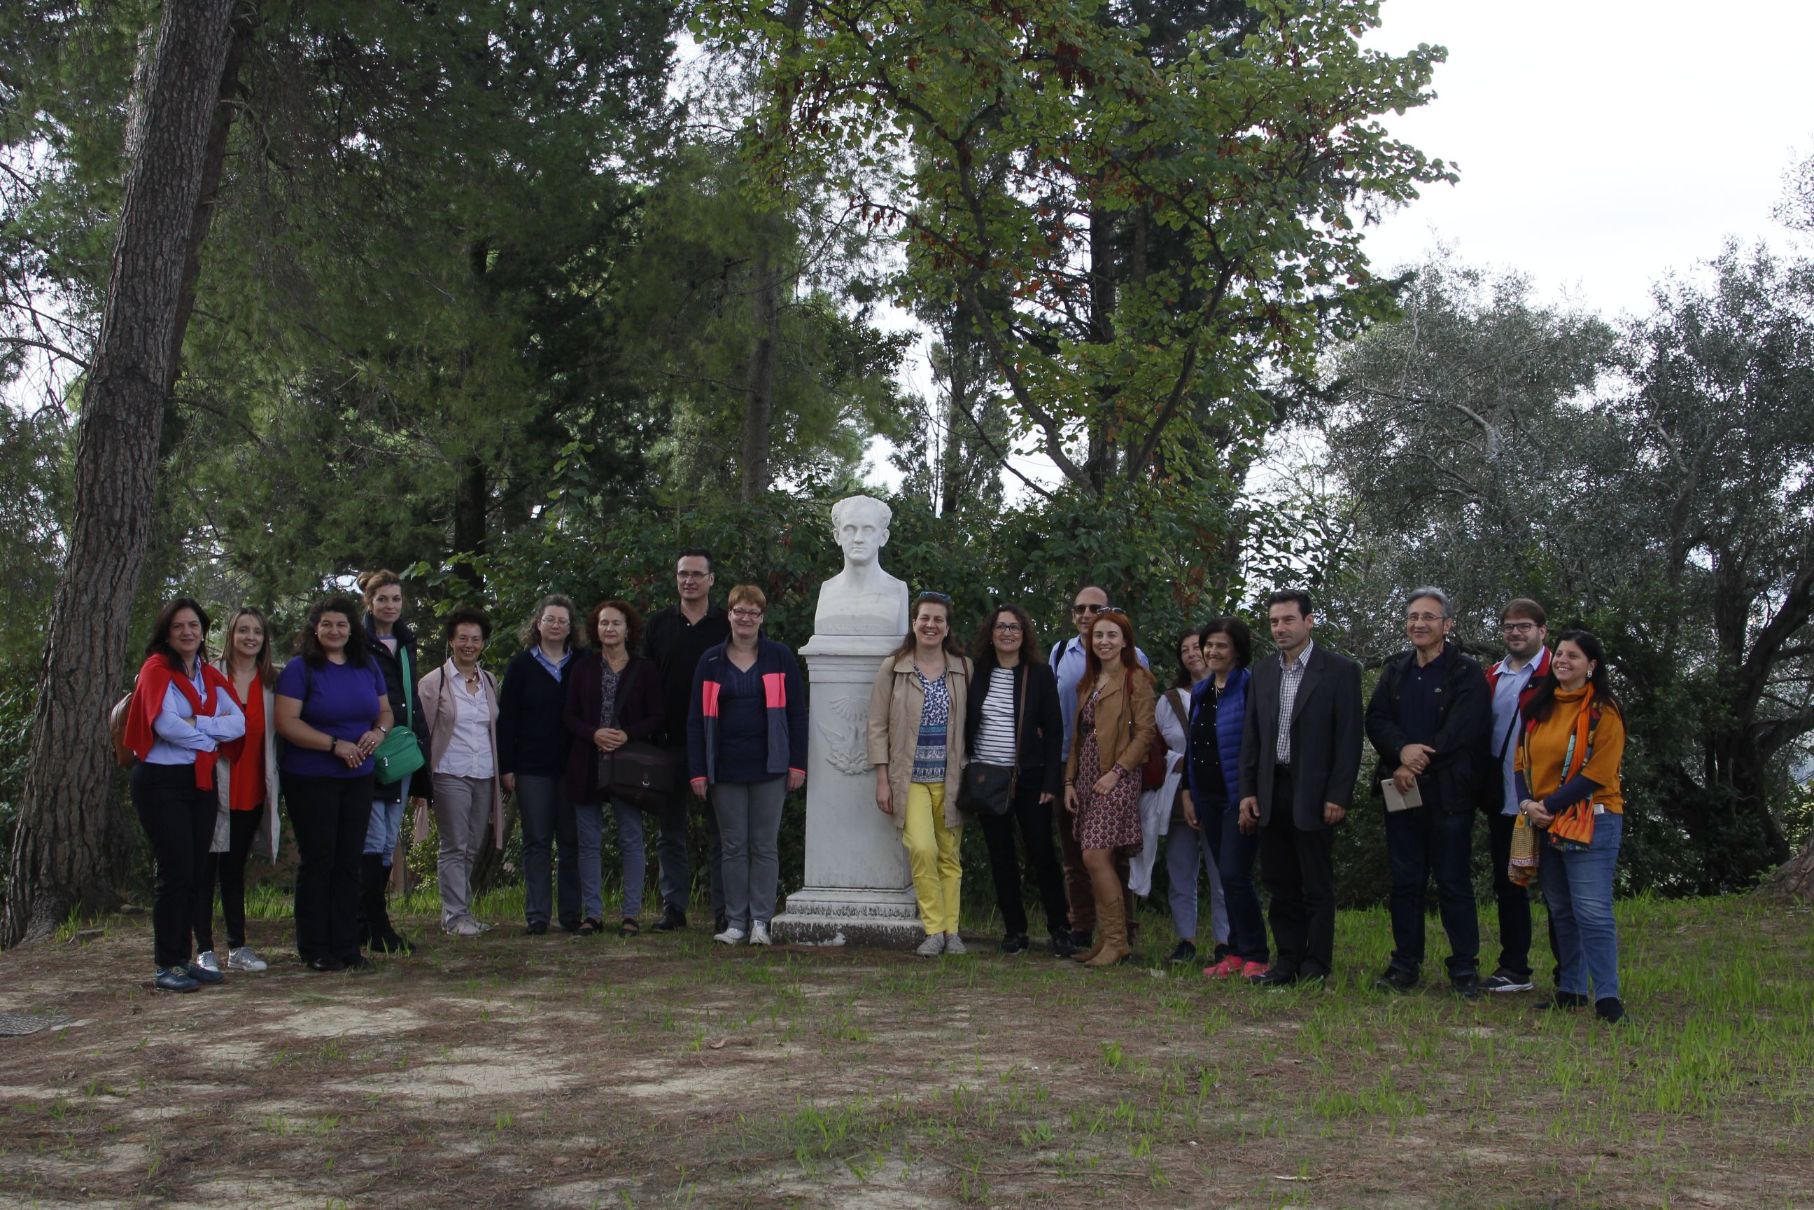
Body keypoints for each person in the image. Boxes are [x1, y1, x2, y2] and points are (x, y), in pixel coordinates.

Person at [1365, 587, 1492, 998]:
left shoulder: (1466, 671)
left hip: (1449, 794)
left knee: (1453, 882)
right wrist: (1401, 752)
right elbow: (1377, 718)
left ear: (1448, 625)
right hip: (1401, 793)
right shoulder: (1396, 669)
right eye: (1413, 616)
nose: (1419, 623)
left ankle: (1464, 971)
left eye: (1429, 617)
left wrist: (1415, 761)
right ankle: (1404, 966)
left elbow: (1462, 729)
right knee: (1405, 883)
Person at [1238, 589, 1363, 987]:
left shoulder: (1340, 671)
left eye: (1288, 620)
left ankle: (1316, 964)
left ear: (1309, 621)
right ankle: (1287, 961)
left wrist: (1338, 795)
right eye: (1274, 621)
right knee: (1279, 882)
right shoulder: (1262, 672)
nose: (1280, 628)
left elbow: (1349, 740)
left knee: (1316, 883)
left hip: (1315, 791)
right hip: (1272, 788)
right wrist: (1248, 790)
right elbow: (1251, 737)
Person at [122, 599, 245, 991]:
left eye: (194, 625)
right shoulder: (155, 670)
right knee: (174, 870)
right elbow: (164, 725)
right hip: (160, 781)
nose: (188, 632)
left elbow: (239, 723)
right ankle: (165, 964)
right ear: (167, 632)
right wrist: (209, 738)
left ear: (203, 631)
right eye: (179, 626)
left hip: (199, 782)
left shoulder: (208, 676)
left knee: (194, 870)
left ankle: (183, 958)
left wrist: (199, 726)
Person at [1516, 629, 1629, 1023]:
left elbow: (1598, 772)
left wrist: (1545, 805)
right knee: (1561, 909)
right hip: (1545, 820)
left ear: (1591, 666)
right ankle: (1572, 989)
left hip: (1591, 820)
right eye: (1561, 654)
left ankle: (1608, 998)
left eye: (1574, 656)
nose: (1563, 661)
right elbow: (1520, 761)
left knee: (1592, 911)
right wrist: (1529, 803)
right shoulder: (1538, 705)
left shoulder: (1604, 709)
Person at [276, 596, 393, 972]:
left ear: (352, 629)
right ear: (315, 629)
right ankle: (315, 948)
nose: (334, 631)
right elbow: (287, 723)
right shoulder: (299, 669)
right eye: (326, 624)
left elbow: (386, 711)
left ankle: (347, 946)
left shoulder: (367, 665)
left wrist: (378, 733)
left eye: (341, 624)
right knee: (319, 860)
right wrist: (333, 745)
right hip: (312, 777)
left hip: (358, 777)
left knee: (349, 861)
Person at [686, 585, 808, 946]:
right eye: (739, 611)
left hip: (771, 765)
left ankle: (760, 922)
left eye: (753, 612)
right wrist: (697, 770)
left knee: (764, 846)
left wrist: (797, 764)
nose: (745, 618)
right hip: (723, 767)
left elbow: (797, 715)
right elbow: (695, 720)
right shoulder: (710, 660)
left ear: (762, 618)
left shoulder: (779, 657)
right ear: (729, 615)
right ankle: (735, 922)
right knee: (733, 846)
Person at [869, 591, 973, 956]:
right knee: (924, 850)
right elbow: (877, 725)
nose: (931, 625)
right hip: (908, 777)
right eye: (924, 618)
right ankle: (933, 929)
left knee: (950, 855)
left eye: (938, 620)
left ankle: (952, 931)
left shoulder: (962, 668)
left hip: (951, 777)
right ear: (913, 623)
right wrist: (882, 778)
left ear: (947, 628)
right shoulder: (894, 668)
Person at [963, 604, 1069, 957]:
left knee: (1041, 852)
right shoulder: (976, 672)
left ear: (1024, 635)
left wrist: (1051, 783)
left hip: (1031, 778)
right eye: (1000, 627)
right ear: (990, 634)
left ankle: (1060, 928)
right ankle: (1015, 931)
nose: (1007, 633)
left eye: (1015, 627)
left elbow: (1054, 732)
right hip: (987, 776)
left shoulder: (1038, 674)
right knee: (1000, 856)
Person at [1048, 584, 1149, 951]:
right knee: (1080, 857)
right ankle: (1093, 934)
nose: (1088, 618)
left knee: (1104, 854)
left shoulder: (1136, 670)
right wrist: (1069, 778)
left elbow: (1144, 731)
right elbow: (1074, 731)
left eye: (1098, 613)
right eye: (1080, 610)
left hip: (1115, 774)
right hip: (1077, 770)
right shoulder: (1075, 667)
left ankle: (1119, 937)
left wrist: (1118, 772)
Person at [564, 598, 664, 936]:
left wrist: (627, 734)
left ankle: (630, 915)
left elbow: (657, 715)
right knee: (588, 842)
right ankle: (592, 914)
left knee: (631, 840)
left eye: (616, 623)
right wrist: (593, 733)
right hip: (587, 762)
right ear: (596, 628)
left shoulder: (644, 669)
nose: (609, 629)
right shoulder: (583, 667)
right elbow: (568, 715)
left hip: (628, 766)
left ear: (628, 629)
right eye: (603, 623)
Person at [644, 550, 731, 934]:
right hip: (667, 744)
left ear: (712, 580)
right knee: (669, 833)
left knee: (721, 834)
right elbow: (642, 682)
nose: (689, 581)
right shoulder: (658, 625)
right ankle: (673, 908)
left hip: (718, 745)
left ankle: (725, 912)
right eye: (683, 574)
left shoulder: (727, 626)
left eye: (697, 574)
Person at [198, 607, 281, 977]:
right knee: (204, 869)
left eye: (257, 632)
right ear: (231, 634)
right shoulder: (210, 674)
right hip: (212, 785)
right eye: (243, 630)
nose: (250, 637)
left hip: (252, 787)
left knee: (233, 870)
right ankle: (202, 948)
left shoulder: (271, 682)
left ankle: (238, 946)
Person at [1186, 618, 1268, 980]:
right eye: (1208, 645)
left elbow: (1257, 746)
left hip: (1239, 798)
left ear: (1237, 650)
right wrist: (1189, 791)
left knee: (1236, 875)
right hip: (1208, 797)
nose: (1212, 651)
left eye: (1221, 645)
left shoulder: (1250, 688)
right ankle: (1234, 951)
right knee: (1224, 877)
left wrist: (1250, 795)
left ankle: (1256, 954)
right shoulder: (1202, 691)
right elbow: (1194, 748)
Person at [418, 607, 506, 938]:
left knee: (472, 845)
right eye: (463, 638)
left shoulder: (488, 681)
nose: (469, 644)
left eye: (476, 639)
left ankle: (462, 912)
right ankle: (455, 916)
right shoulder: (433, 682)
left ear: (483, 643)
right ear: (451, 641)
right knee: (454, 845)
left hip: (484, 773)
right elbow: (423, 732)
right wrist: (419, 785)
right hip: (449, 772)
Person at [1479, 597, 1551, 993]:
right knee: (1509, 883)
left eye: (1524, 626)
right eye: (1509, 626)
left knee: (1559, 890)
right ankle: (1514, 968)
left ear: (1542, 630)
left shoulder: (1556, 672)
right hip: (1505, 798)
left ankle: (1568, 974)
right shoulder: (1494, 674)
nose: (1516, 633)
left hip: (1549, 800)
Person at [498, 595, 583, 935]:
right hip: (531, 767)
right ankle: (536, 914)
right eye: (550, 619)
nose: (556, 625)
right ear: (537, 623)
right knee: (536, 841)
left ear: (570, 627)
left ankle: (571, 914)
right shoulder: (521, 666)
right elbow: (507, 721)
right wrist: (506, 767)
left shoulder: (582, 663)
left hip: (573, 766)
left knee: (570, 841)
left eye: (562, 621)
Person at [1149, 629, 1230, 968]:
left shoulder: (1235, 690)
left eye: (1197, 646)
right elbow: (1157, 748)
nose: (1192, 653)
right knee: (1180, 868)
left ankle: (1226, 941)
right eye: (1184, 649)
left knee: (1222, 871)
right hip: (1179, 794)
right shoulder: (1167, 701)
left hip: (1220, 789)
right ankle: (1186, 940)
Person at [357, 569, 428, 955]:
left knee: (387, 840)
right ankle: (368, 923)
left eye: (396, 599)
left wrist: (420, 747)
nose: (390, 605)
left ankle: (375, 922)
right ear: (370, 602)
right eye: (382, 598)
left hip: (401, 750)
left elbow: (410, 696)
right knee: (371, 837)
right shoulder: (358, 642)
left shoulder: (404, 641)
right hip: (369, 747)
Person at [814, 495, 910, 636]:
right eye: (849, 529)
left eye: (868, 529)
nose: (858, 539)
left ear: (883, 537)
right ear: (837, 536)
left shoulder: (897, 590)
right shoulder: (827, 591)